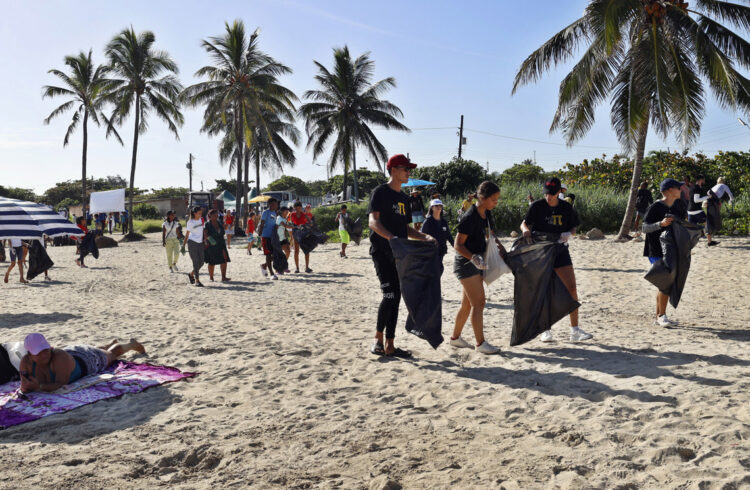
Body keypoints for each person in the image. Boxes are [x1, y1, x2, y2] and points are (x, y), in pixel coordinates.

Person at [368, 154, 435, 357]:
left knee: (396, 297)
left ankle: (390, 344)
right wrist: (390, 238)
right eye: (405, 169)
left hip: (400, 254)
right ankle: (377, 340)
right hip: (382, 252)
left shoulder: (404, 199)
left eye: (409, 169)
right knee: (389, 295)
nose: (408, 172)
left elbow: (405, 228)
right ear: (393, 169)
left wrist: (424, 236)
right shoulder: (380, 192)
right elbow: (373, 222)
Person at [521, 177, 593, 343]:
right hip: (541, 252)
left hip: (560, 250)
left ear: (559, 192)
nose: (549, 197)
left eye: (552, 194)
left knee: (572, 288)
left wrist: (569, 234)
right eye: (547, 194)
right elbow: (524, 223)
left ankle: (574, 330)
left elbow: (574, 227)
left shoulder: (566, 207)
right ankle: (546, 330)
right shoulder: (537, 206)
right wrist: (525, 230)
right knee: (545, 290)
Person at [450, 182, 505, 354]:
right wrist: (473, 258)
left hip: (479, 261)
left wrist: (502, 249)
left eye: (497, 199)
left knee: (467, 304)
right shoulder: (470, 216)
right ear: (482, 198)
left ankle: (455, 339)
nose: (496, 203)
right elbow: (457, 245)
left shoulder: (486, 213)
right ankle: (480, 343)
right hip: (466, 264)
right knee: (479, 303)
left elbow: (491, 235)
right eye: (493, 199)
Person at [18, 333, 145, 394]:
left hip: (84, 360)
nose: (44, 355)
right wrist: (26, 386)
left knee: (110, 356)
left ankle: (130, 345)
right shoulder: (25, 362)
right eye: (38, 353)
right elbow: (24, 386)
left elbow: (61, 383)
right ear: (29, 354)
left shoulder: (58, 357)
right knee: (100, 350)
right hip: (73, 354)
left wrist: (39, 387)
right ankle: (108, 344)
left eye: (45, 350)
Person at [642, 178, 688, 326]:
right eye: (678, 188)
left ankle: (659, 317)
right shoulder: (656, 206)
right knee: (665, 283)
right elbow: (644, 228)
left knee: (666, 282)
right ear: (669, 190)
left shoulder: (678, 206)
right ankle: (661, 316)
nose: (681, 190)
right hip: (655, 250)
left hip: (671, 250)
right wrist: (660, 224)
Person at [420, 199, 453, 276]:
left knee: (439, 269)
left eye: (440, 206)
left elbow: (448, 235)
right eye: (436, 205)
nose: (439, 207)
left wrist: (455, 246)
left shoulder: (444, 221)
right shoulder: (427, 221)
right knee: (438, 269)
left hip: (441, 250)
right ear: (432, 208)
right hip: (431, 250)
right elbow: (422, 236)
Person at [204, 209, 231, 282]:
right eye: (214, 215)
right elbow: (205, 233)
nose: (216, 216)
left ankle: (223, 277)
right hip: (212, 244)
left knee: (224, 259)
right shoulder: (207, 224)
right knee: (212, 261)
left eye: (217, 215)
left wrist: (225, 226)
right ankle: (211, 277)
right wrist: (207, 239)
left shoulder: (219, 222)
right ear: (210, 216)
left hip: (221, 243)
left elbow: (223, 230)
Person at [183, 206, 206, 287]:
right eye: (199, 213)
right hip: (192, 243)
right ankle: (197, 281)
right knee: (196, 262)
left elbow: (203, 231)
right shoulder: (190, 222)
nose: (200, 215)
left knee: (202, 262)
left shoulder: (202, 220)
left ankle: (191, 274)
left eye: (201, 213)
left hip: (200, 243)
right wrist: (183, 245)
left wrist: (205, 240)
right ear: (194, 213)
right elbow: (187, 234)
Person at [257, 198, 280, 280]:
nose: (277, 205)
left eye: (277, 204)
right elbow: (262, 224)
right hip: (266, 236)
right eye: (275, 204)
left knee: (275, 255)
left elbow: (274, 224)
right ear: (270, 204)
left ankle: (264, 265)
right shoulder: (265, 212)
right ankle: (272, 273)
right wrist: (259, 235)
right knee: (268, 254)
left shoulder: (275, 213)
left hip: (273, 236)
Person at [290, 201, 313, 272]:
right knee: (296, 251)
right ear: (295, 208)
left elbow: (311, 223)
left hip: (303, 233)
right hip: (296, 233)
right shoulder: (292, 214)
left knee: (306, 250)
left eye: (300, 207)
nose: (298, 209)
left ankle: (307, 267)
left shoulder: (304, 214)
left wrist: (306, 225)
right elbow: (292, 223)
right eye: (297, 208)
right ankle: (297, 268)